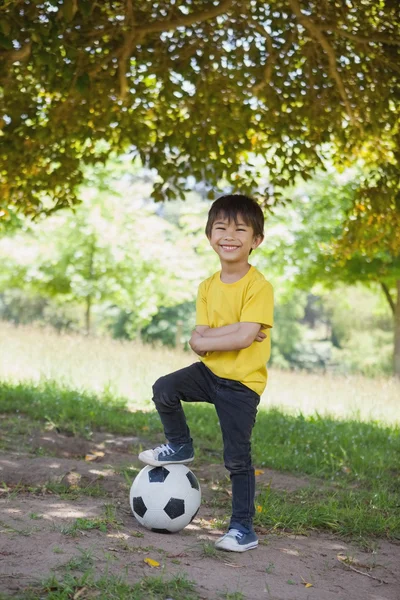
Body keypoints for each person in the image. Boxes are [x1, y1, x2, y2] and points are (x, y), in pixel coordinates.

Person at [139, 194, 274, 552]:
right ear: (209, 235)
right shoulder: (206, 287)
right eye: (221, 228)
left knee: (237, 458)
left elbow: (243, 337)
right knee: (164, 387)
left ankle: (243, 529)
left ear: (256, 240)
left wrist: (215, 337)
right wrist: (222, 336)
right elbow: (197, 343)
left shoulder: (259, 286)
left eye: (240, 229)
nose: (229, 236)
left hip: (242, 384)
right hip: (210, 373)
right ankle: (179, 444)